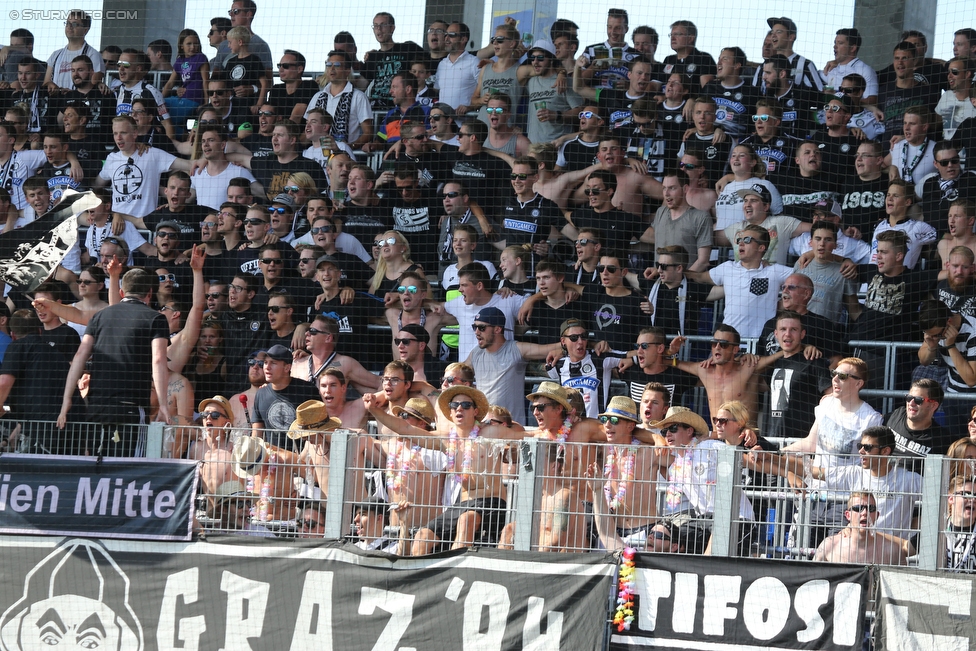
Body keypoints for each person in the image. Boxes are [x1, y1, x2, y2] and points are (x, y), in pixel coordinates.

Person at [57, 268, 172, 456]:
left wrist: (66, 399)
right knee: (130, 471)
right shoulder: (156, 318)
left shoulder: (100, 316)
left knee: (97, 466)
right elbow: (158, 359)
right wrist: (163, 405)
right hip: (131, 406)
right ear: (149, 293)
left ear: (121, 292)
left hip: (97, 406)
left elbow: (80, 356)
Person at [686, 223, 792, 339]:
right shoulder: (727, 268)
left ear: (761, 247)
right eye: (739, 239)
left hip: (760, 343)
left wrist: (784, 304)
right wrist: (676, 270)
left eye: (747, 240)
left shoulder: (773, 271)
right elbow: (699, 277)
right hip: (729, 342)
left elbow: (806, 277)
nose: (741, 243)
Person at [465, 306, 561, 425]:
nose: (476, 332)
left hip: (511, 428)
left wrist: (568, 344)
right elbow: (457, 374)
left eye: (482, 328)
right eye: (475, 327)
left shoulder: (515, 349)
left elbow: (547, 349)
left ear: (497, 329)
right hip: (483, 426)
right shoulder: (476, 353)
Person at [813, 492, 908, 565]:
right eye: (858, 508)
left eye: (870, 508)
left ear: (877, 515)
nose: (864, 513)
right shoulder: (829, 545)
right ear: (848, 515)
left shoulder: (891, 550)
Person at [885, 378, 953, 462]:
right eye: (909, 398)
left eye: (918, 400)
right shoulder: (896, 414)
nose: (911, 403)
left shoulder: (943, 440)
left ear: (933, 406)